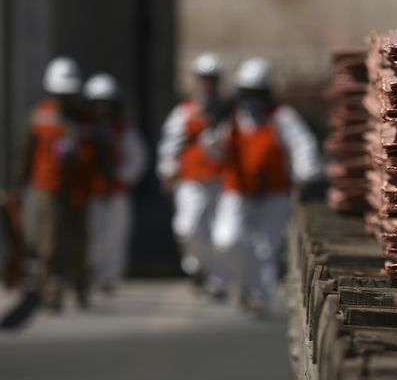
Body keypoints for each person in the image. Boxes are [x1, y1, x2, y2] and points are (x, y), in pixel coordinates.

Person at [211, 57, 321, 314]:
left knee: (266, 247)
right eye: (247, 93)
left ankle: (259, 295)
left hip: (274, 194)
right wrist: (214, 132)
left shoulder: (281, 117)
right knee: (227, 240)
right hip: (237, 191)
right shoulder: (231, 119)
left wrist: (305, 173)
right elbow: (214, 151)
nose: (252, 99)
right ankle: (243, 283)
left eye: (257, 93)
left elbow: (303, 143)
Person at [15, 57, 102, 311]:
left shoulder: (87, 119)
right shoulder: (40, 116)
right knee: (49, 242)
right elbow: (26, 154)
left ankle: (80, 286)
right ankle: (52, 292)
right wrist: (19, 184)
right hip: (48, 187)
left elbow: (100, 155)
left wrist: (102, 180)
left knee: (78, 240)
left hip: (78, 188)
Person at [157, 52, 226, 289]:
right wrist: (167, 171)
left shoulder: (228, 111)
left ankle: (215, 279)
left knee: (219, 232)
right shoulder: (184, 111)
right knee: (187, 228)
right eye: (204, 78)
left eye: (213, 78)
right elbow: (170, 142)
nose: (208, 83)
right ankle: (197, 265)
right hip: (190, 179)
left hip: (220, 179)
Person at [85, 73, 148, 295]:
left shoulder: (124, 130)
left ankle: (109, 277)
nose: (102, 109)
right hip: (91, 191)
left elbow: (138, 160)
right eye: (97, 103)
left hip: (116, 192)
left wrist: (120, 176)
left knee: (114, 236)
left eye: (106, 104)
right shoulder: (85, 130)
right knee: (91, 235)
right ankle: (91, 271)